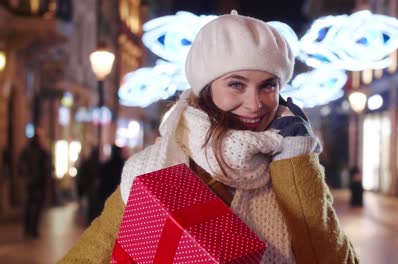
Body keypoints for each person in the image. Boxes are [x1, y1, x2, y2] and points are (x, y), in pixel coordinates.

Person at [60, 11, 358, 263]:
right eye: (236, 85)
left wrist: (297, 163)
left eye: (268, 86)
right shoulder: (158, 166)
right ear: (207, 88)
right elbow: (93, 251)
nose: (255, 104)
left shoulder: (293, 160)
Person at [18, 128, 52, 238]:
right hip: (37, 184)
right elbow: (47, 168)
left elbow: (21, 166)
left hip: (33, 183)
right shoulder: (40, 152)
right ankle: (32, 229)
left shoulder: (29, 151)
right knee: (36, 206)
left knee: (31, 205)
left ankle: (29, 228)